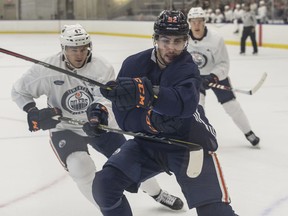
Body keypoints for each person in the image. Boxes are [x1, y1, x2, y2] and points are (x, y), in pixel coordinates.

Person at [11, 24, 184, 211]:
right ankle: (107, 208)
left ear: (89, 47)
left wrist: (97, 115)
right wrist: (32, 111)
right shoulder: (46, 69)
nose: (79, 54)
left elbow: (107, 98)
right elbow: (19, 91)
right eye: (73, 49)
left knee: (130, 162)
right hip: (65, 128)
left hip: (99, 125)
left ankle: (157, 193)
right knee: (80, 167)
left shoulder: (101, 67)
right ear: (64, 49)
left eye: (83, 48)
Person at [90, 10, 238, 216]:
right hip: (146, 142)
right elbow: (124, 120)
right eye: (165, 40)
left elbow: (181, 106)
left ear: (186, 42)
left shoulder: (188, 68)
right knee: (104, 185)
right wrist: (101, 111)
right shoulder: (133, 64)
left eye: (178, 42)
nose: (171, 47)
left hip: (188, 144)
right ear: (156, 39)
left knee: (214, 211)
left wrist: (144, 93)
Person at [186, 7, 260, 147]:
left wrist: (213, 76)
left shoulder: (216, 39)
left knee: (232, 106)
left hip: (215, 76)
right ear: (189, 22)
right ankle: (199, 136)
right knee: (197, 107)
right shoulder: (183, 39)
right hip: (195, 77)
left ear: (204, 22)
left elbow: (224, 64)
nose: (196, 25)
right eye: (193, 21)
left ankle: (248, 132)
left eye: (200, 21)